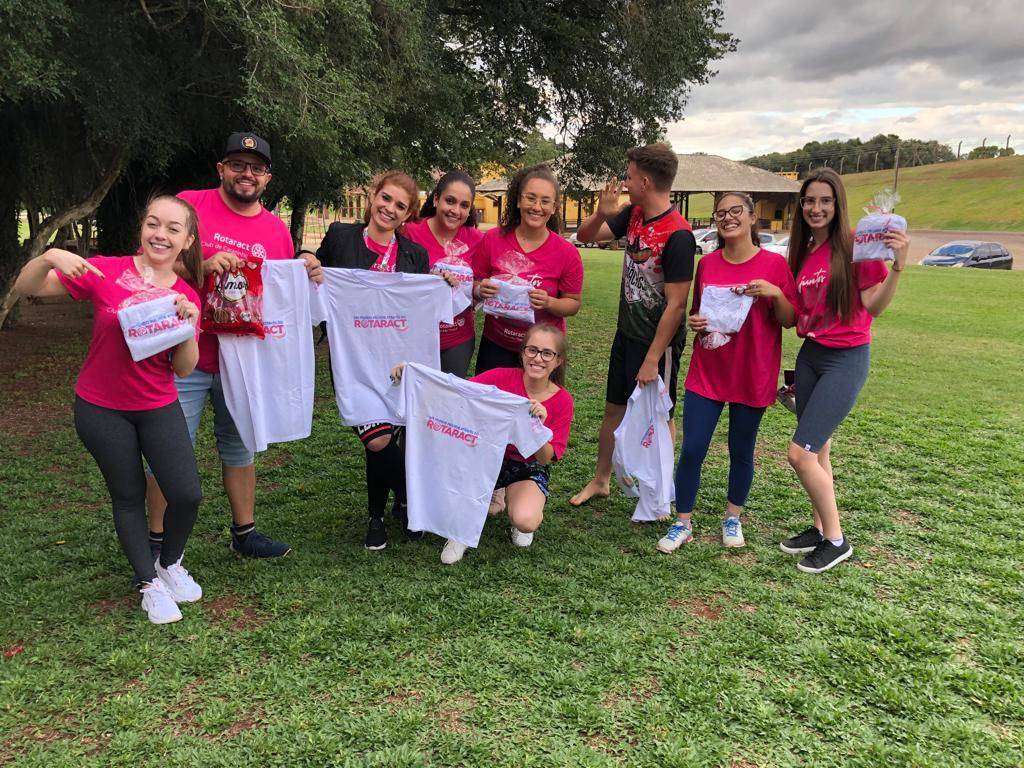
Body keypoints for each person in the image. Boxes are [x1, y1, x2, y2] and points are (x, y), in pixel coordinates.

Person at [15, 196, 205, 624]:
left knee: (187, 493)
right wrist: (49, 256)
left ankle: (168, 564)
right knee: (128, 495)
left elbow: (183, 368)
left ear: (187, 241)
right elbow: (29, 288)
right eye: (153, 223)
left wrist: (188, 326)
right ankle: (148, 584)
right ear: (142, 227)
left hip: (157, 405)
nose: (160, 234)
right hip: (102, 409)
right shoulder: (106, 272)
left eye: (173, 228)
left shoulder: (185, 295)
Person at [146, 132, 323, 560]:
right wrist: (201, 266)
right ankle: (155, 540)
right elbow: (152, 262)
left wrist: (307, 269)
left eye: (256, 168)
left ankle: (245, 533)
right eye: (238, 165)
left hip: (243, 363)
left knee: (240, 446)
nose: (247, 174)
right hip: (183, 356)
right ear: (221, 169)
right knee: (168, 451)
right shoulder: (189, 206)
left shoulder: (276, 230)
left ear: (267, 178)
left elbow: (276, 298)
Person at [778, 168, 909, 573]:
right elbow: (798, 311)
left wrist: (898, 268)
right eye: (809, 201)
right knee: (820, 449)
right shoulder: (803, 252)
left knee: (800, 454)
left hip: (845, 358)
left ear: (838, 204)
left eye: (825, 201)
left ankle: (836, 540)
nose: (816, 208)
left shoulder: (855, 245)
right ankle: (819, 529)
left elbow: (873, 305)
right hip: (810, 356)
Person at [655, 192, 797, 554]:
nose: (728, 218)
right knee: (692, 449)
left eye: (736, 211)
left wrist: (775, 293)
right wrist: (695, 322)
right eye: (720, 213)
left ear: (751, 217)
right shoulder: (708, 264)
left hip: (753, 372)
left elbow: (789, 320)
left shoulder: (773, 264)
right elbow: (699, 314)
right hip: (709, 371)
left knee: (741, 450)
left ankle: (732, 517)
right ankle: (683, 522)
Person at [569, 143, 696, 507]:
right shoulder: (634, 214)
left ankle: (659, 491)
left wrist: (653, 359)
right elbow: (586, 237)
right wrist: (601, 212)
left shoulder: (679, 234)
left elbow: (676, 305)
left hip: (657, 345)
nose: (624, 183)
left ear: (645, 181)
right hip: (625, 335)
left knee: (660, 414)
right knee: (614, 408)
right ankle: (601, 480)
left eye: (628, 176)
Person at [315, 170, 430, 551]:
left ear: (409, 214)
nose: (390, 209)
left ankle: (377, 518)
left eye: (400, 206)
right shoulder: (340, 237)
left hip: (397, 365)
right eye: (386, 198)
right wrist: (306, 259)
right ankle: (415, 498)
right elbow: (312, 274)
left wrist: (441, 284)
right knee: (378, 438)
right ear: (373, 196)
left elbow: (420, 309)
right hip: (352, 362)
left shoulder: (415, 255)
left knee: (382, 441)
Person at [439, 323, 574, 564]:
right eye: (532, 350)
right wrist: (411, 373)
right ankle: (460, 532)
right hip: (485, 457)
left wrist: (537, 428)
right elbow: (458, 392)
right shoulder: (499, 378)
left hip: (526, 465)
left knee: (526, 520)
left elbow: (545, 458)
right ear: (522, 353)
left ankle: (512, 501)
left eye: (547, 353)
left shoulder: (562, 400)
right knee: (457, 485)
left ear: (558, 360)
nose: (538, 358)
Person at [473, 164, 583, 373]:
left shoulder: (567, 252)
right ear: (518, 201)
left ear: (554, 207)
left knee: (536, 397)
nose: (537, 207)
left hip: (542, 352)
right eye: (530, 198)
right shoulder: (493, 239)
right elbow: (475, 282)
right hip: (496, 344)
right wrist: (480, 290)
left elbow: (573, 304)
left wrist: (549, 302)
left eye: (545, 201)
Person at [403, 171, 484, 377]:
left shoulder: (477, 239)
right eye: (450, 201)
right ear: (436, 199)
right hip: (416, 336)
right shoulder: (411, 232)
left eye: (464, 205)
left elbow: (479, 283)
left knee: (448, 395)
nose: (456, 210)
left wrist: (480, 291)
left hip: (458, 339)